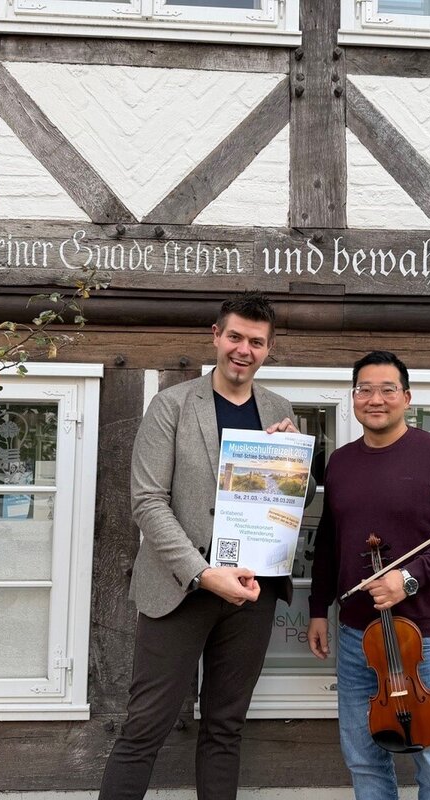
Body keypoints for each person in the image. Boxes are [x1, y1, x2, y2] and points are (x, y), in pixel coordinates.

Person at [99, 292, 299, 800]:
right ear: (216, 336)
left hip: (253, 590)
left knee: (225, 727)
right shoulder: (171, 404)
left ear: (268, 350)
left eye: (256, 342)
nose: (244, 350)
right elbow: (147, 502)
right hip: (180, 588)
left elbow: (293, 498)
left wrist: (291, 464)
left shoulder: (278, 408)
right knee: (145, 724)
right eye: (235, 337)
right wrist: (201, 571)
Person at [307, 350, 430, 800]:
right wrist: (316, 610)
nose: (376, 399)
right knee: (363, 756)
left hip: (422, 637)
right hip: (354, 636)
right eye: (364, 389)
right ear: (353, 398)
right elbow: (330, 542)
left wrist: (408, 578)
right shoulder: (342, 463)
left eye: (388, 389)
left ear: (406, 397)